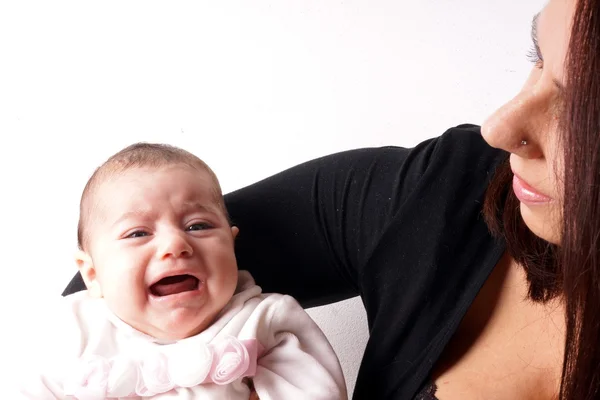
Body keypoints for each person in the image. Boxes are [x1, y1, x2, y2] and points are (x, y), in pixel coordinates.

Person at [62, 0, 600, 398]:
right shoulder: (446, 190)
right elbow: (105, 272)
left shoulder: (271, 328)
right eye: (537, 57)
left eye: (581, 108)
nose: (500, 127)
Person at [20, 143, 347, 399]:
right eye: (138, 233)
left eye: (198, 225)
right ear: (91, 275)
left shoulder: (264, 320)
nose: (175, 244)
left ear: (231, 247)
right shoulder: (75, 328)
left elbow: (318, 392)